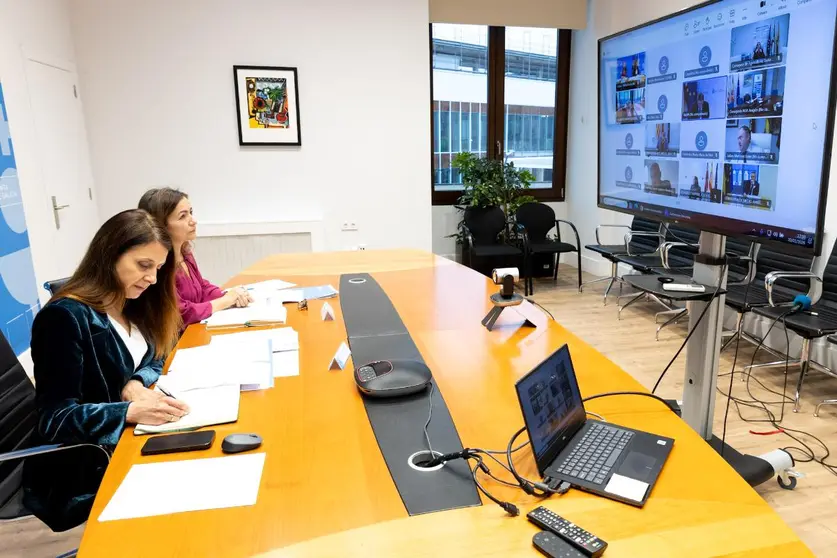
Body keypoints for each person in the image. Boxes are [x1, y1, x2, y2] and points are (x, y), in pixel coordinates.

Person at [23, 210, 190, 531]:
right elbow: (55, 419)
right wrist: (127, 411)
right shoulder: (64, 318)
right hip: (84, 464)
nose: (152, 279)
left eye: (157, 268)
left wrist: (137, 380)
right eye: (143, 266)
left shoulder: (133, 300)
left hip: (131, 439)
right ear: (109, 254)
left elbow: (158, 354)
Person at [139, 187, 252, 326]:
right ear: (162, 225)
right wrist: (225, 301)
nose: (193, 221)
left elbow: (201, 287)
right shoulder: (159, 266)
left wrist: (231, 295)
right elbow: (181, 313)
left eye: (191, 213)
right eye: (183, 216)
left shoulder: (185, 252)